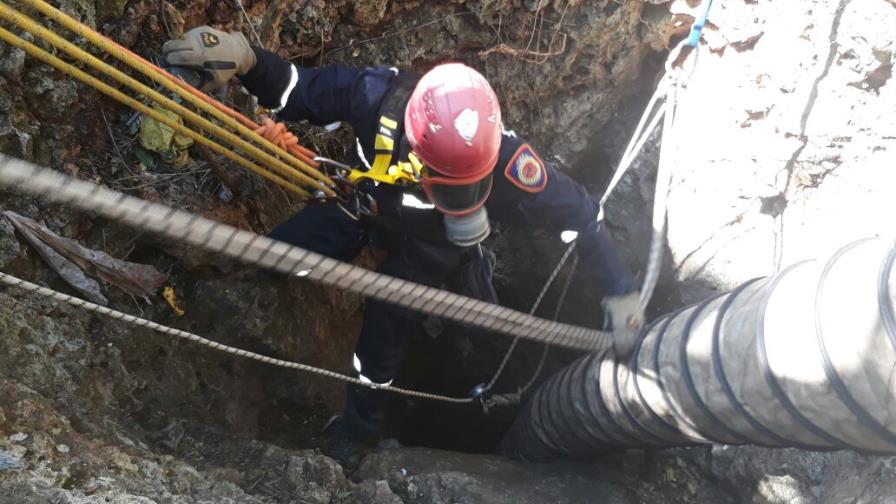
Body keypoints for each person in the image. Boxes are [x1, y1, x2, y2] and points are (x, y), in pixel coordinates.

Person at [163, 26, 644, 464]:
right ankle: (273, 275)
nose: (463, 198)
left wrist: (619, 294)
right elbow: (298, 89)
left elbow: (583, 218)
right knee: (283, 251)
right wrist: (247, 60)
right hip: (361, 208)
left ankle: (359, 429)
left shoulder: (508, 160)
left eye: (470, 188)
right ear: (419, 152)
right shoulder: (376, 96)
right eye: (451, 188)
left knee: (384, 335)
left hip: (432, 252)